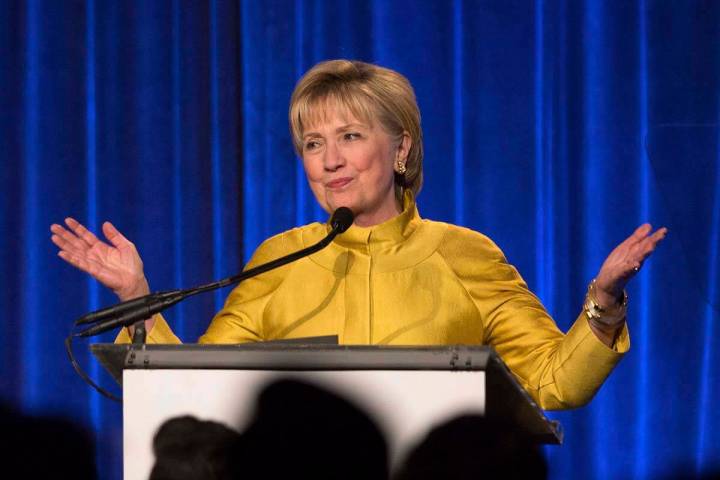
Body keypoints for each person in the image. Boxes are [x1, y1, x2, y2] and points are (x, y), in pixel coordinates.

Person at [50, 59, 667, 410]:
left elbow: (553, 384)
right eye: (313, 144)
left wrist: (604, 304)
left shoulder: (465, 255)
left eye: (349, 137)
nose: (329, 160)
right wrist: (138, 295)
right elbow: (197, 387)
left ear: (400, 148)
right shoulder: (280, 259)